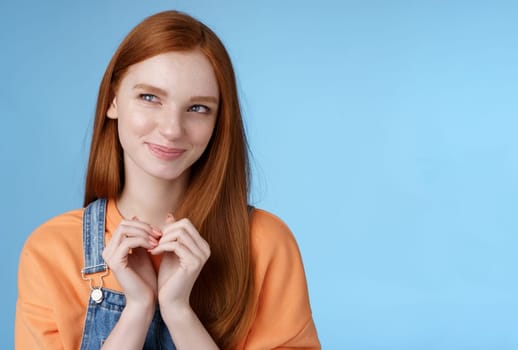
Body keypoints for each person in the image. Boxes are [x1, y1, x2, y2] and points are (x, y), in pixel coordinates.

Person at [15, 10, 320, 349]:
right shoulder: (51, 251)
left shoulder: (265, 243)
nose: (172, 129)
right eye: (150, 98)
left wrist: (178, 312)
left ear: (220, 120)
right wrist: (138, 309)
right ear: (113, 100)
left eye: (198, 108)